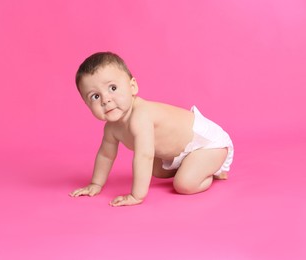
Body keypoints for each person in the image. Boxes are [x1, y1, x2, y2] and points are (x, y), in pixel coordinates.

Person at [69, 52, 234, 207]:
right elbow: (106, 155)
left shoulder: (140, 115)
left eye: (112, 88)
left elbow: (145, 156)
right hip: (183, 152)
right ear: (87, 105)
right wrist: (96, 184)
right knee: (156, 170)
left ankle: (211, 170)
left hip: (206, 144)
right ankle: (196, 166)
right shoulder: (111, 128)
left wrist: (136, 195)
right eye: (95, 96)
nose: (106, 100)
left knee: (184, 184)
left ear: (132, 86)